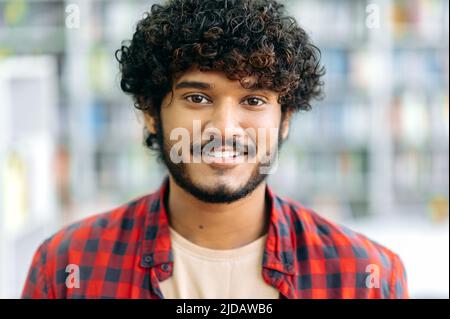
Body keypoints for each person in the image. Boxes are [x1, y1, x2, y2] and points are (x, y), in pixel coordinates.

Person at [22, 0, 408, 299]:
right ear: (151, 113)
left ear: (285, 119)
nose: (224, 127)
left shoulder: (365, 276)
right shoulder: (67, 267)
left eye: (254, 100)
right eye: (196, 97)